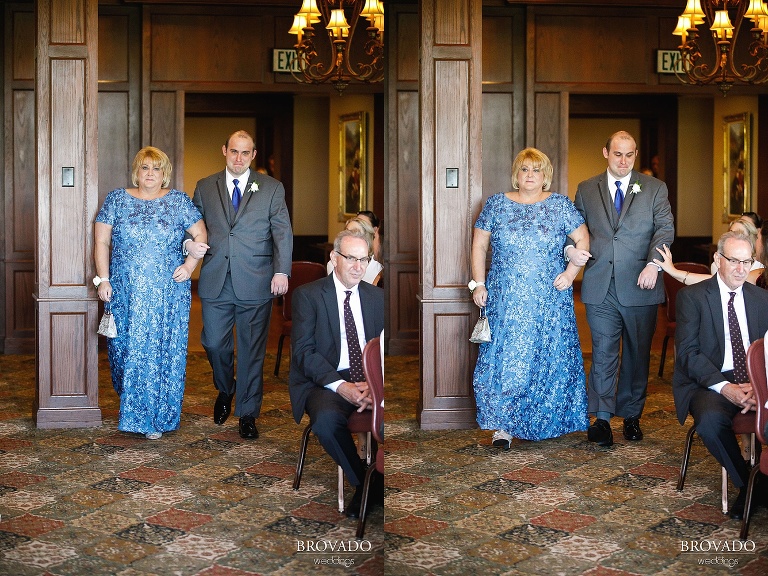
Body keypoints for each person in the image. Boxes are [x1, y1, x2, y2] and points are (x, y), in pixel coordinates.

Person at [470, 147, 591, 449]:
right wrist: (478, 284)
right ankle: (503, 426)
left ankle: (545, 420)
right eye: (524, 169)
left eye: (536, 170)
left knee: (546, 357)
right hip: (505, 297)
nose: (530, 175)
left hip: (548, 298)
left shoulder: (560, 205)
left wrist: (570, 274)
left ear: (545, 175)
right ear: (516, 173)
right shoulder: (496, 204)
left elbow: (582, 239)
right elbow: (479, 246)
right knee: (505, 360)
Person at [185, 130, 293, 440]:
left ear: (253, 155)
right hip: (216, 278)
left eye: (245, 153)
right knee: (213, 343)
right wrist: (188, 245)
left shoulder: (271, 188)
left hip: (257, 280)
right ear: (224, 150)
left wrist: (281, 271)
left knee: (251, 351)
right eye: (234, 151)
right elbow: (192, 228)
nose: (238, 158)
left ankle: (247, 413)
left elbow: (282, 232)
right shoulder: (205, 186)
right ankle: (226, 387)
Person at [569, 131, 674, 446]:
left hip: (641, 283)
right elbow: (573, 230)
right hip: (600, 284)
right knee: (603, 351)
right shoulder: (587, 189)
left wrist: (654, 264)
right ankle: (601, 419)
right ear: (606, 153)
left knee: (637, 354)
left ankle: (631, 416)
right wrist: (570, 251)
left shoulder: (654, 188)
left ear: (636, 154)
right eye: (618, 154)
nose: (624, 161)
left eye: (629, 154)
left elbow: (664, 229)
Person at [94, 146, 207, 440]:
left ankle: (153, 418)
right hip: (125, 291)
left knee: (159, 352)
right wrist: (103, 279)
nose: (150, 174)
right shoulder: (116, 199)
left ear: (164, 173)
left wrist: (189, 265)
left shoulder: (178, 201)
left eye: (157, 169)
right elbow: (102, 242)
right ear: (137, 171)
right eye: (145, 168)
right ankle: (133, 405)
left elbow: (200, 235)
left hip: (166, 292)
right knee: (123, 352)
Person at [289, 229, 385, 518]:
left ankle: (376, 481)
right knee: (326, 422)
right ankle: (366, 483)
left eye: (364, 260)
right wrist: (342, 386)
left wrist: (376, 387)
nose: (358, 267)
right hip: (326, 380)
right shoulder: (308, 295)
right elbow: (304, 352)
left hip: (371, 378)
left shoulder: (378, 297)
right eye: (351, 258)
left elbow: (385, 349)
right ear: (334, 258)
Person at [673, 231, 768, 520]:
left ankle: (757, 484)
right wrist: (726, 387)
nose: (741, 269)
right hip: (710, 381)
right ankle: (750, 485)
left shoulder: (762, 299)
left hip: (756, 379)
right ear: (717, 259)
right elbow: (688, 354)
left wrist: (760, 389)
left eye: (747, 262)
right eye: (734, 261)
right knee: (711, 422)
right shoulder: (692, 297)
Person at [327, 217, 383, 286]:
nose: (351, 236)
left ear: (367, 237)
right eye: (347, 232)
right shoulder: (334, 263)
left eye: (356, 232)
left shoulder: (379, 264)